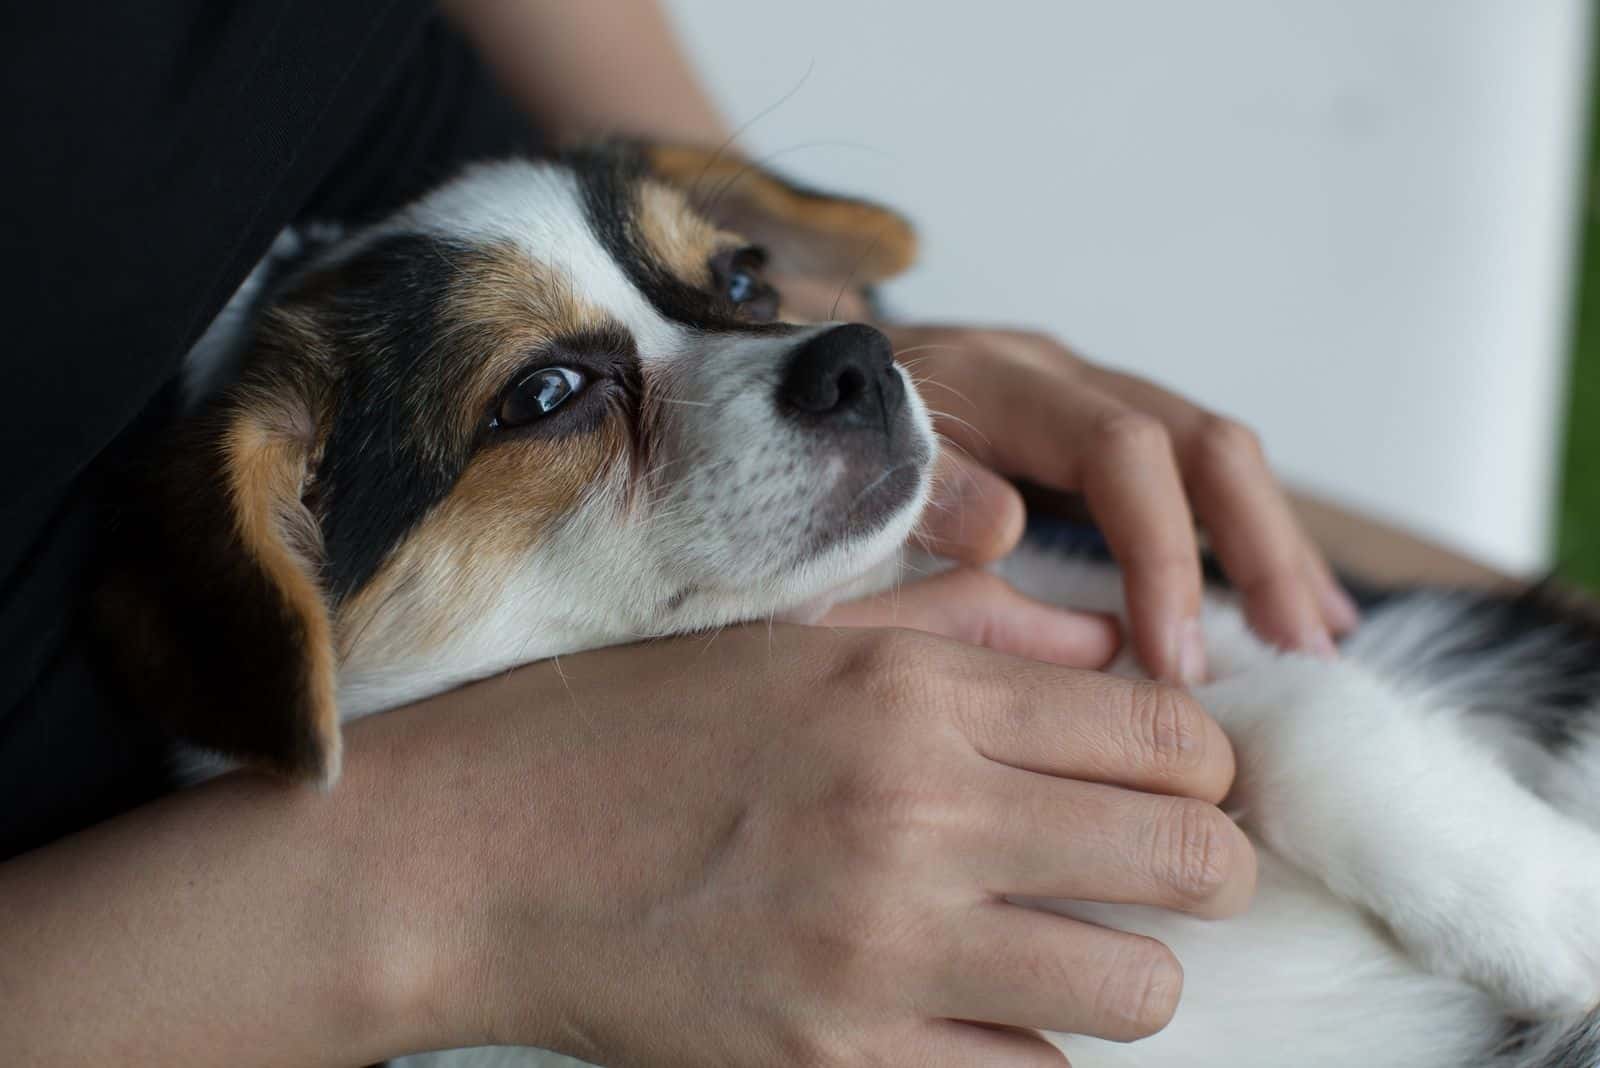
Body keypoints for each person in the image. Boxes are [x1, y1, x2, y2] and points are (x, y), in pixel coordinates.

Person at [0, 3, 1358, 1064]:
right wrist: (447, 889)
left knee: (1371, 643)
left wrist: (804, 297)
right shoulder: (244, 549)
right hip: (205, 925)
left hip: (513, 188)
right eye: (549, 396)